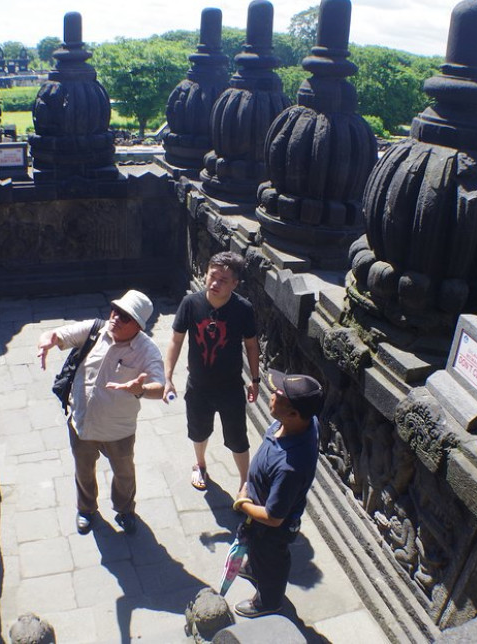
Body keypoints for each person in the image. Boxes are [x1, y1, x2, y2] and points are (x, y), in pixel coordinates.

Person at [37, 290, 164, 536]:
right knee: (83, 471)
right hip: (82, 422)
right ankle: (86, 509)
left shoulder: (147, 350)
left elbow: (160, 388)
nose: (116, 318)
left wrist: (140, 389)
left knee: (124, 475)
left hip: (119, 430)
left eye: (125, 317)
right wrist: (46, 341)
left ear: (138, 326)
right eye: (116, 311)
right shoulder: (95, 329)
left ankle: (125, 510)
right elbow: (57, 335)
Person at [164, 251, 260, 491]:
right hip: (199, 384)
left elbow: (251, 345)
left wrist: (255, 379)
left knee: (237, 437)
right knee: (198, 430)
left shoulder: (243, 308)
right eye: (212, 276)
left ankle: (245, 481)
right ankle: (200, 464)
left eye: (223, 280)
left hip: (231, 386)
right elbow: (176, 340)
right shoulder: (191, 303)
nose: (215, 283)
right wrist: (168, 377)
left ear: (235, 283)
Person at [232, 368, 323, 618]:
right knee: (258, 553)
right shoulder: (302, 423)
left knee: (271, 561)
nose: (272, 394)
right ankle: (255, 568)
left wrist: (242, 503)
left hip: (270, 529)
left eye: (278, 395)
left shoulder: (290, 467)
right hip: (260, 512)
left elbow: (273, 518)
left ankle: (268, 601)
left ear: (294, 414)